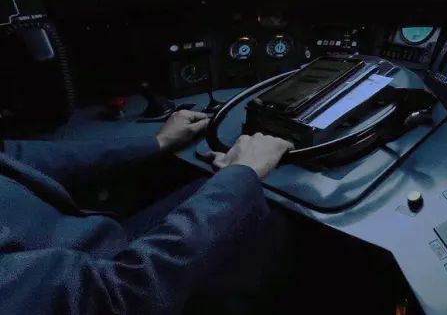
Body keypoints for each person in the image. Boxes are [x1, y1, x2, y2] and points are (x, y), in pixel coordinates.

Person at [0, 110, 294, 314]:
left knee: (222, 193)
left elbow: (13, 158)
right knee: (274, 216)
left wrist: (156, 143)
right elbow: (119, 296)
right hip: (114, 282)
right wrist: (241, 175)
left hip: (93, 251)